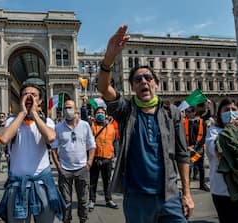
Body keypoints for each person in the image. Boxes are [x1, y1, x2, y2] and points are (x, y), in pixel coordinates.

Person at [97, 25, 194, 222]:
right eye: (138, 79)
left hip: (170, 195)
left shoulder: (171, 112)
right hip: (137, 198)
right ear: (132, 86)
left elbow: (183, 154)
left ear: (156, 83)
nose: (143, 81)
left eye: (148, 77)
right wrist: (109, 57)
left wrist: (187, 193)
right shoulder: (126, 110)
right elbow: (104, 88)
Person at [0, 83, 65, 223]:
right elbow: (3, 139)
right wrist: (22, 113)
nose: (29, 97)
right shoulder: (11, 121)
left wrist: (34, 113)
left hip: (42, 185)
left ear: (40, 101)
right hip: (18, 186)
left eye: (34, 95)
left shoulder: (47, 122)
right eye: (25, 94)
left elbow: (51, 137)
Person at [51, 99, 96, 223]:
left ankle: (83, 220)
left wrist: (89, 163)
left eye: (70, 107)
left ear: (76, 109)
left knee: (83, 200)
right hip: (65, 169)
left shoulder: (85, 125)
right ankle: (67, 220)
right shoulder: (58, 127)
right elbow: (53, 149)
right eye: (65, 108)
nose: (67, 110)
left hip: (82, 168)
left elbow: (92, 145)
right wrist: (59, 167)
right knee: (66, 201)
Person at [88, 106, 118, 211]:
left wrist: (116, 155)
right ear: (95, 115)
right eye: (98, 113)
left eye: (102, 112)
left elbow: (115, 141)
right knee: (93, 181)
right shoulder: (91, 126)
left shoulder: (111, 127)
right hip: (95, 158)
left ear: (105, 115)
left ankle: (108, 199)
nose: (100, 114)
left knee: (107, 181)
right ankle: (92, 200)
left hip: (107, 157)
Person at [183, 107, 209, 191]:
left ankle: (202, 184)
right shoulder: (185, 122)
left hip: (199, 150)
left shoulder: (202, 122)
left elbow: (204, 136)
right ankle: (187, 186)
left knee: (201, 167)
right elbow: (183, 135)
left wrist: (196, 147)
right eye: (186, 112)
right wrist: (188, 146)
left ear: (194, 113)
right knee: (189, 168)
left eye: (189, 112)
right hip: (189, 149)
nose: (187, 113)